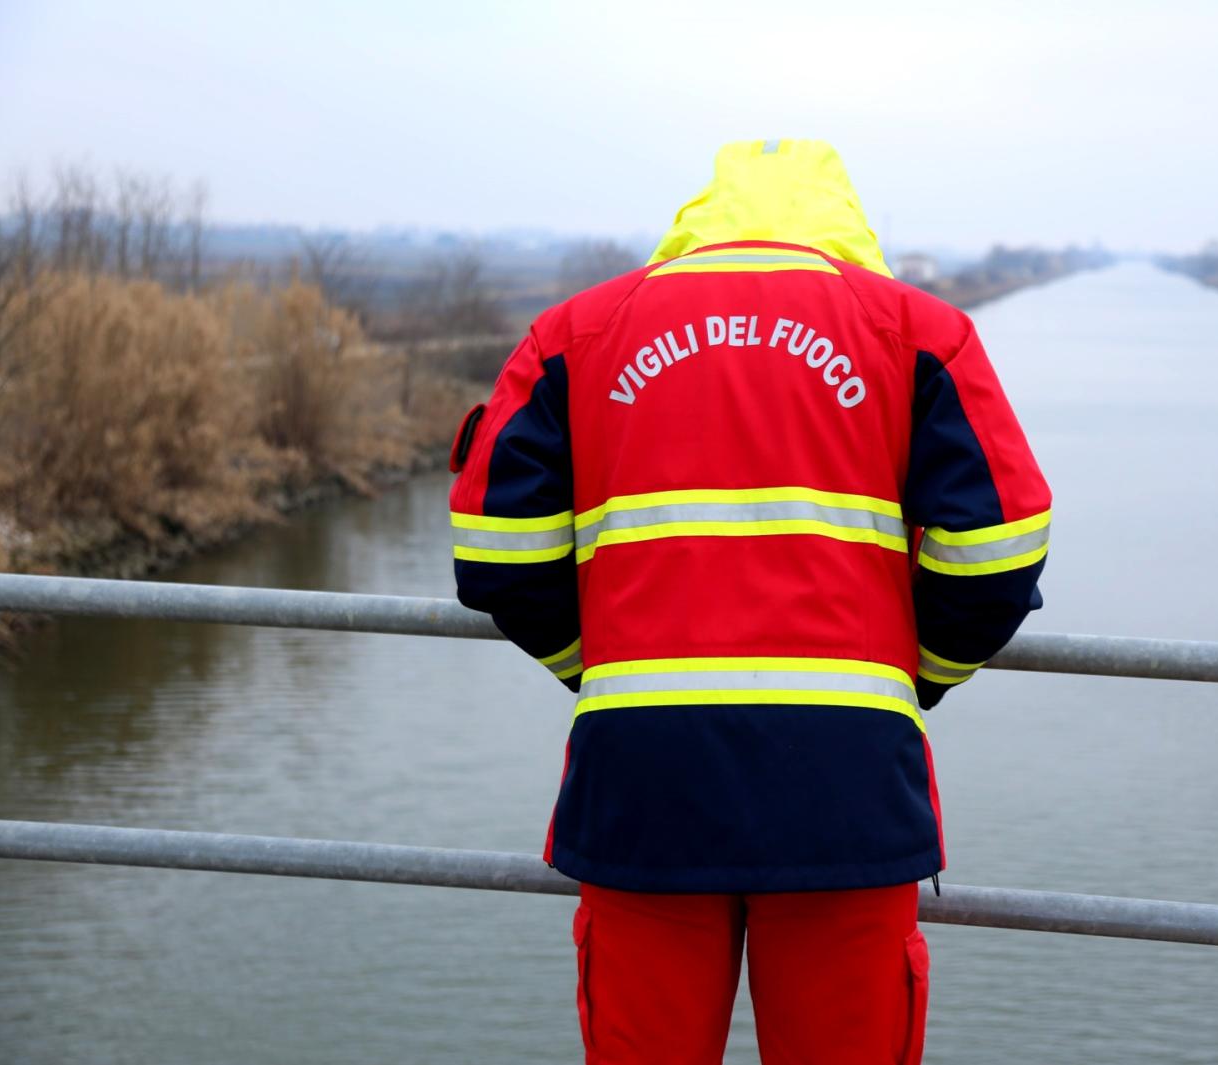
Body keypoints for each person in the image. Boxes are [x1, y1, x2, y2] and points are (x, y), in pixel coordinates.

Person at [449, 139, 1050, 1064]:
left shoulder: (577, 334)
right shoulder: (918, 332)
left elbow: (496, 545)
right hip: (846, 783)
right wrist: (908, 680)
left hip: (643, 776)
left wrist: (603, 666)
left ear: (698, 221)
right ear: (848, 231)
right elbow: (1000, 549)